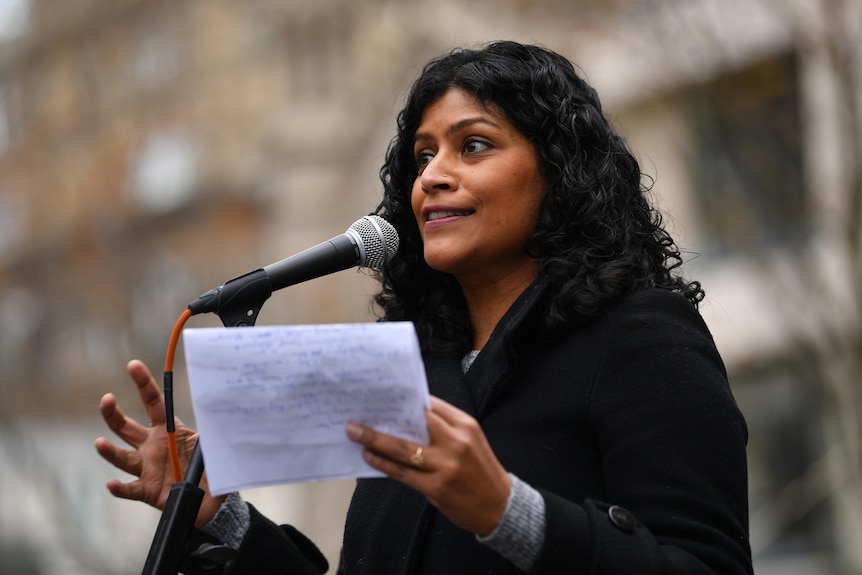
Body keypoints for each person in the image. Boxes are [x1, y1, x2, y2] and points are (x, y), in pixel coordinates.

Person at [95, 40, 753, 574]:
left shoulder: (640, 337)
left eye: (474, 145)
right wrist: (218, 513)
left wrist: (508, 512)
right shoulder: (414, 362)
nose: (433, 174)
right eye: (423, 155)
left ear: (558, 176)